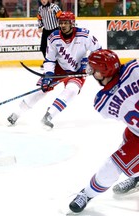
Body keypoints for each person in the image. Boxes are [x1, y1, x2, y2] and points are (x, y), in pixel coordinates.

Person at [69, 49, 139, 213]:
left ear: (102, 72)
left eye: (94, 70)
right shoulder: (135, 67)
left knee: (112, 166)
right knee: (126, 143)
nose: (93, 73)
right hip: (135, 132)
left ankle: (87, 194)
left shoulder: (102, 102)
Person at [7, 11, 102, 128]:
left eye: (65, 23)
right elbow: (50, 59)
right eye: (61, 23)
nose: (62, 25)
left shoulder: (85, 35)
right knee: (41, 89)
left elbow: (98, 51)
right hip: (59, 68)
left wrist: (88, 65)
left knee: (71, 90)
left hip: (78, 71)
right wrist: (48, 75)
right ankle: (17, 113)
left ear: (72, 23)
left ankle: (49, 115)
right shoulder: (53, 37)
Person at [37, 0, 62, 69]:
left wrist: (61, 27)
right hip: (46, 30)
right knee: (43, 47)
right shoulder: (40, 9)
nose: (43, 1)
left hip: (55, 30)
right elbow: (39, 19)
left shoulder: (54, 7)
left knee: (56, 48)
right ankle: (49, 62)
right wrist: (39, 26)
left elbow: (61, 17)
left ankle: (58, 63)